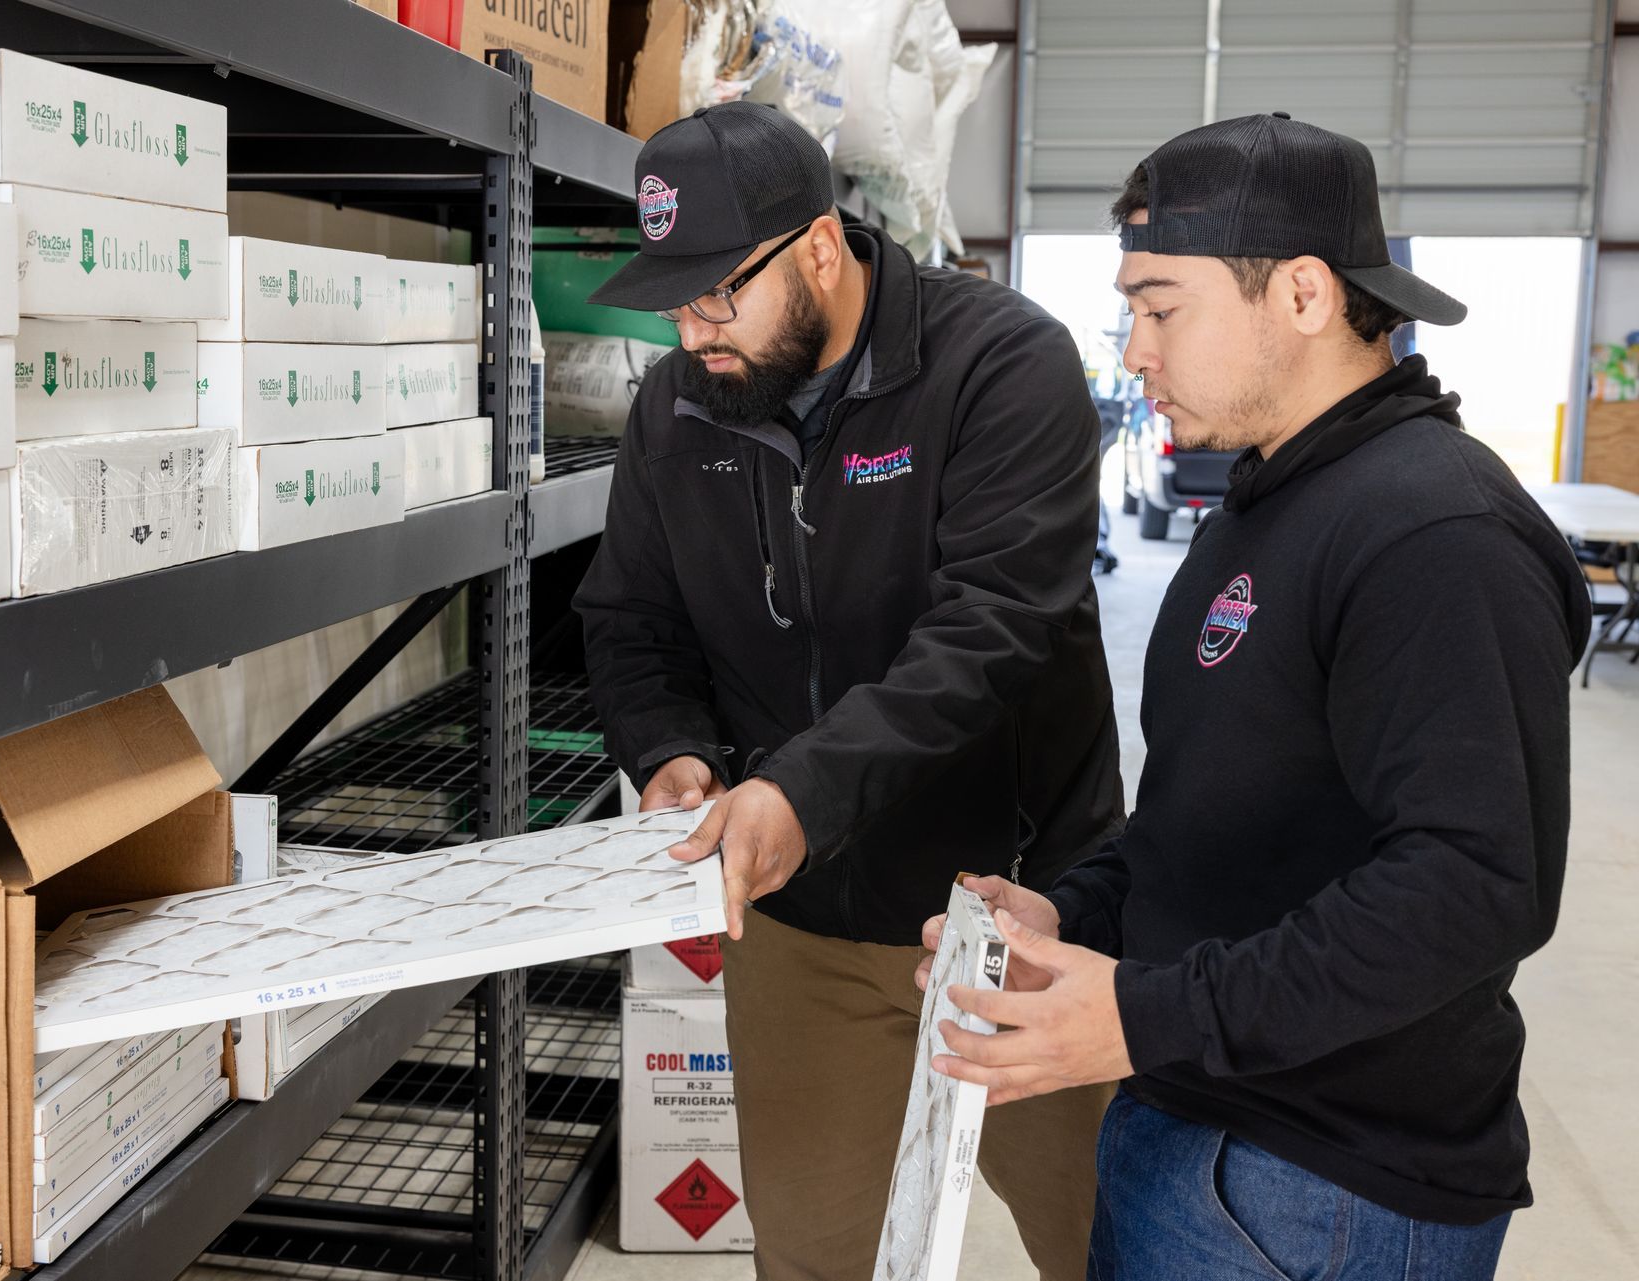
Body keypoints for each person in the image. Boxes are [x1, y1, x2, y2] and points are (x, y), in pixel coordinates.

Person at [918, 113, 1592, 1280]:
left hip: (1323, 1185)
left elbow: (1475, 888)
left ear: (1302, 294)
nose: (1134, 350)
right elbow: (1213, 814)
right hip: (1197, 1123)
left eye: (1162, 307)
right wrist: (1071, 918)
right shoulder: (1266, 502)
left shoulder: (1435, 532)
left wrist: (1143, 1016)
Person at [573, 101, 1124, 1281]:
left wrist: (797, 795)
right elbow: (631, 618)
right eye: (673, 301)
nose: (693, 331)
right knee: (814, 1258)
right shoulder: (679, 407)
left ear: (820, 247)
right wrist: (672, 754)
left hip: (1018, 915)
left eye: (719, 293)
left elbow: (990, 635)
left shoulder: (1000, 366)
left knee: (1106, 1246)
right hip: (804, 930)